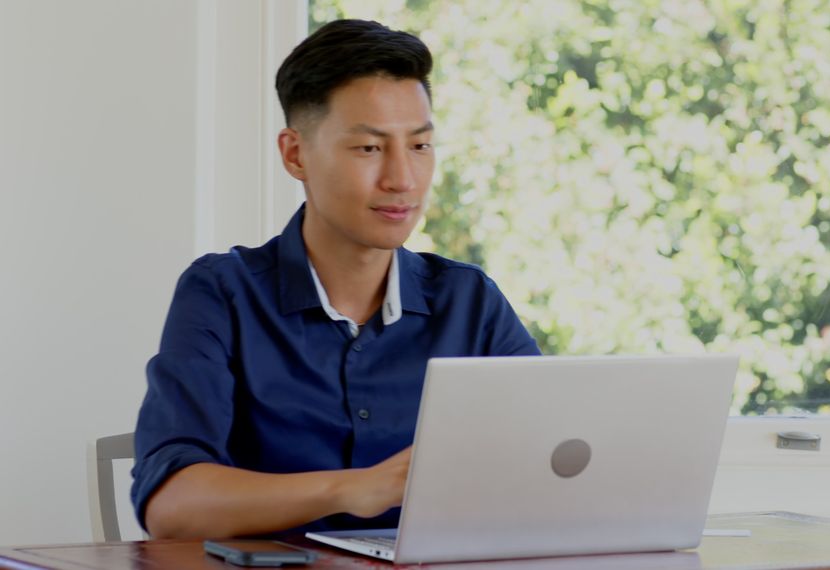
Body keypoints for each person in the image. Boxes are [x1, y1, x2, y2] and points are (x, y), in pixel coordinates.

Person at [131, 19, 541, 540]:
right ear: (295, 154)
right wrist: (354, 488)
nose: (402, 179)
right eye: (369, 148)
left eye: (419, 146)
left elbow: (543, 465)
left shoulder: (469, 301)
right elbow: (172, 507)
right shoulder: (221, 293)